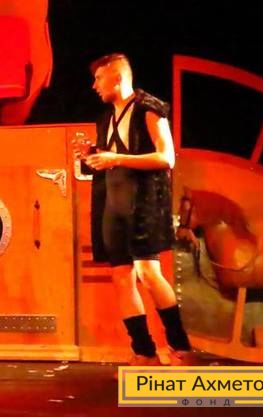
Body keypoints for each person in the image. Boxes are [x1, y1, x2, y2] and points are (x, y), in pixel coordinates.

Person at [81, 53, 196, 367]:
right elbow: (110, 160)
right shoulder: (105, 117)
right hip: (113, 204)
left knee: (148, 273)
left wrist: (116, 158)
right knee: (121, 277)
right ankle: (144, 352)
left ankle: (181, 347)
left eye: (99, 78)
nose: (94, 86)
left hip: (142, 204)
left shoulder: (149, 108)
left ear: (117, 77)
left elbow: (166, 158)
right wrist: (92, 156)